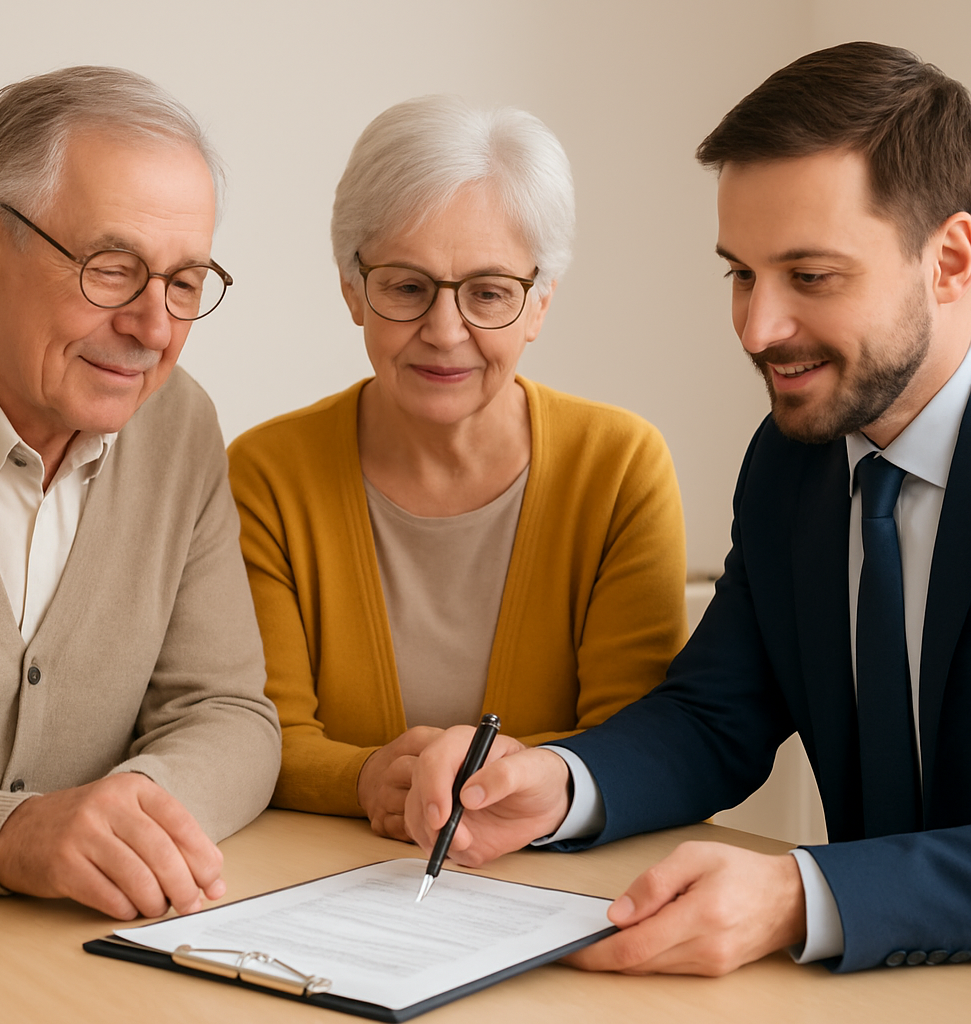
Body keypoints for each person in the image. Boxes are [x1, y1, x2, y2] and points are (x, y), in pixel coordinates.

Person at [404, 41, 971, 975]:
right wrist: (556, 783)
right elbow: (718, 715)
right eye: (741, 274)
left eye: (811, 277)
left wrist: (803, 894)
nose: (758, 330)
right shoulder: (794, 465)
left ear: (948, 259)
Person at [228, 96, 688, 840]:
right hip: (320, 888)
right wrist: (364, 779)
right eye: (407, 288)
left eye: (489, 293)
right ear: (354, 291)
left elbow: (634, 739)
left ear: (539, 305)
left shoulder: (620, 467)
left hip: (560, 886)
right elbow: (257, 735)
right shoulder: (266, 475)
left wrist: (500, 784)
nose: (445, 332)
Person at [0, 67, 280, 920]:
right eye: (112, 268)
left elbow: (228, 712)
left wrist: (129, 820)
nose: (154, 328)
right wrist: (8, 834)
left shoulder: (177, 425)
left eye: (184, 281)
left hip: (70, 960)